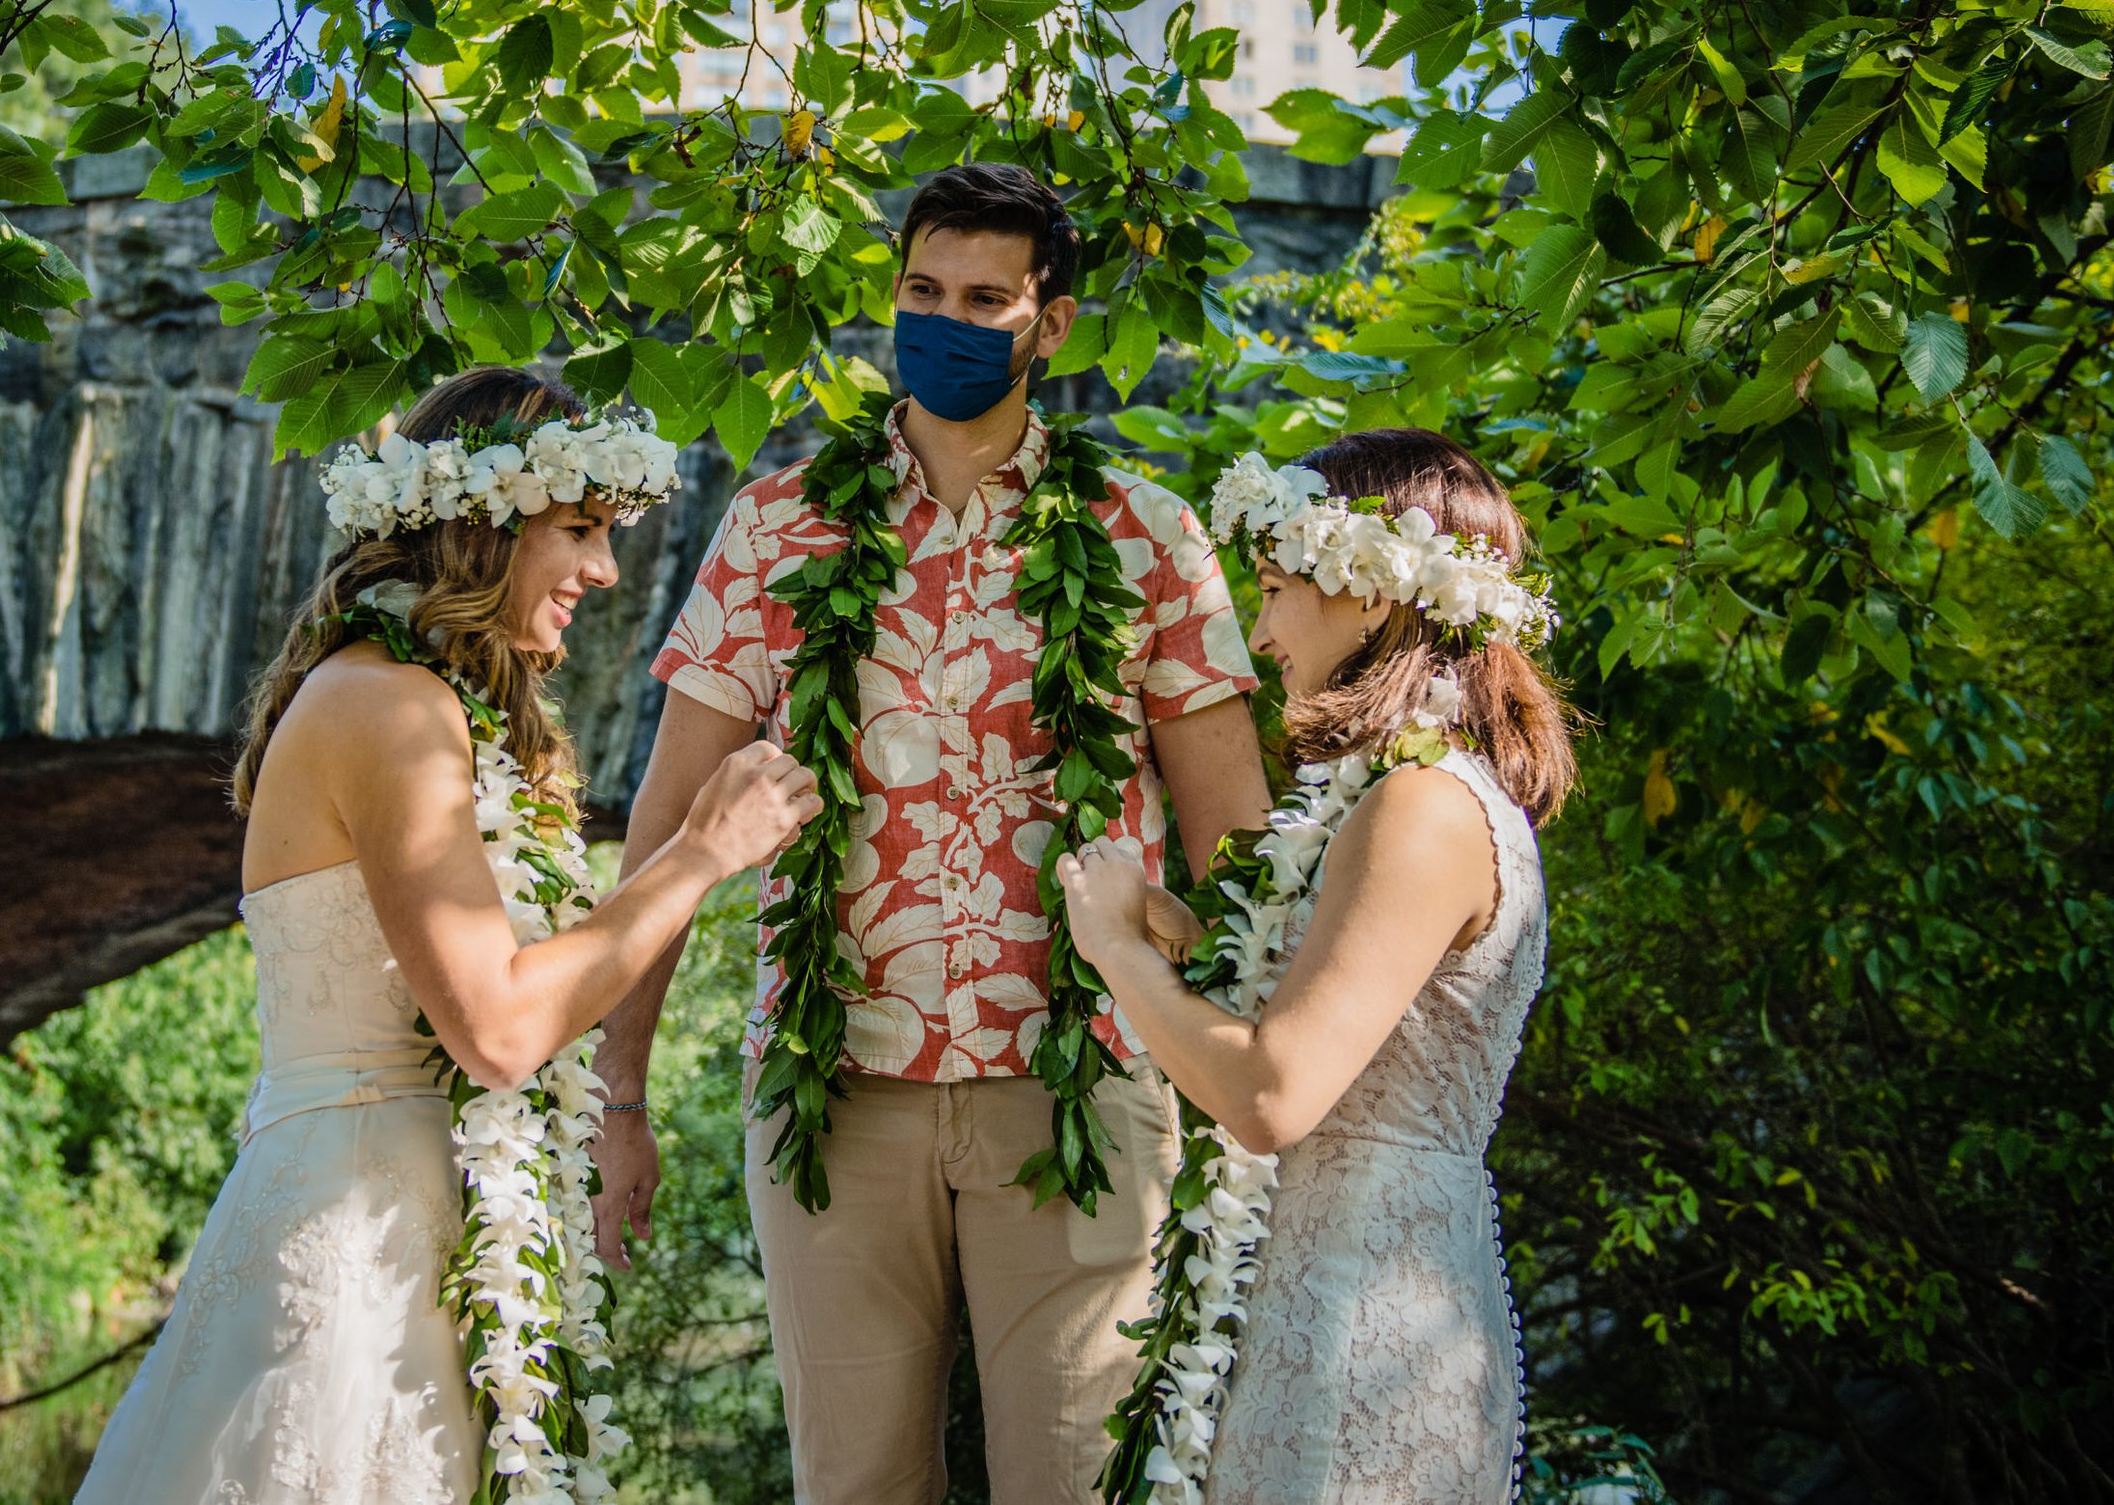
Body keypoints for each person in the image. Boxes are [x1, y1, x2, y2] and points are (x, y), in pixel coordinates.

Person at [594, 162, 1273, 1503]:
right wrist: (619, 1094)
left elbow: (1243, 862)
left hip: (1081, 1088)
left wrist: (1257, 1102)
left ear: (1050, 322)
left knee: (1086, 1484)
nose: (944, 319)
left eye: (982, 297)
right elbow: (664, 832)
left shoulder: (1148, 535)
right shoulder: (777, 527)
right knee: (854, 1487)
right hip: (835, 1089)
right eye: (921, 290)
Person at [72, 367, 821, 1505]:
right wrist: (701, 852)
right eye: (578, 529)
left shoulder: (425, 703)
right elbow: (503, 1026)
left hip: (429, 1242)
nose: (607, 569)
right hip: (357, 1272)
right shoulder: (390, 709)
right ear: (481, 527)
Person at [1057, 427, 1578, 1504]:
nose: (1258, 629)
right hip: (1314, 1283)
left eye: (1276, 585)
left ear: (1371, 591)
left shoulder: (1422, 807)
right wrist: (1183, 942)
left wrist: (1112, 950)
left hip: (1363, 1322)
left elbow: (1273, 1090)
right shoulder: (1408, 793)